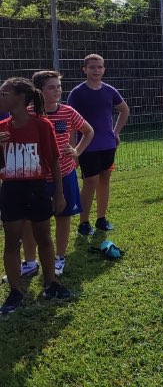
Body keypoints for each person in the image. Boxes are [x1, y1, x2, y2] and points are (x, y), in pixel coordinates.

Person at [0, 77, 72, 315]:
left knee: (44, 239)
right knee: (12, 242)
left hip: (38, 188)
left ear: (20, 98)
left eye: (4, 94)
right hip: (11, 191)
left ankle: (51, 284)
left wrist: (59, 194)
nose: (1, 98)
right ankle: (16, 291)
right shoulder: (2, 127)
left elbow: (53, 160)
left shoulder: (42, 125)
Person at [20, 70, 94, 278]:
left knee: (64, 216)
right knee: (29, 221)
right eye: (51, 87)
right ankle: (30, 263)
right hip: (35, 177)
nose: (57, 91)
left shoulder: (68, 112)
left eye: (59, 87)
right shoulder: (27, 113)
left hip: (65, 174)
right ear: (39, 91)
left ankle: (59, 258)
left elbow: (89, 131)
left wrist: (77, 151)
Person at [67, 54, 129, 236]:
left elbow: (124, 109)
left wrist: (115, 133)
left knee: (105, 179)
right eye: (92, 67)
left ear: (104, 69)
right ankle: (83, 223)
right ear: (84, 69)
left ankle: (101, 219)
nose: (96, 70)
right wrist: (74, 150)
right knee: (90, 182)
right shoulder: (77, 93)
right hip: (87, 146)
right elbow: (70, 122)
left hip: (108, 145)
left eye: (100, 67)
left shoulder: (110, 90)